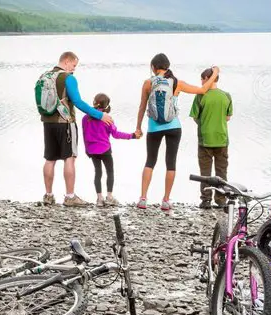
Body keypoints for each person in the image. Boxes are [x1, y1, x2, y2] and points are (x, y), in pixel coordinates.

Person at [133, 54, 218, 212]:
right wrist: (214, 73)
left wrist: (138, 128)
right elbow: (202, 89)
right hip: (173, 127)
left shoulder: (148, 83)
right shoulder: (177, 83)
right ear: (167, 66)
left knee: (150, 161)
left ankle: (143, 198)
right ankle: (166, 200)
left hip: (154, 128)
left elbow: (142, 106)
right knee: (170, 163)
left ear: (153, 67)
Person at [37, 51, 113, 207]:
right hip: (65, 123)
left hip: (47, 122)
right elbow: (78, 102)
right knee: (69, 158)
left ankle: (48, 196)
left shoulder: (44, 77)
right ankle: (70, 197)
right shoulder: (68, 78)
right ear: (66, 61)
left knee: (50, 159)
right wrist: (99, 116)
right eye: (73, 65)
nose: (74, 69)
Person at [82, 93, 140, 207]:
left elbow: (84, 134)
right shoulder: (107, 119)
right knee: (110, 172)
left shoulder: (85, 118)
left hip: (92, 150)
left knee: (97, 173)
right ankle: (109, 196)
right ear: (106, 105)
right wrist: (132, 135)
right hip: (105, 149)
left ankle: (99, 198)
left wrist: (87, 149)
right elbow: (116, 134)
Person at [190, 67, 233, 209]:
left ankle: (206, 200)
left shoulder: (200, 96)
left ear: (208, 79)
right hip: (222, 139)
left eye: (202, 79)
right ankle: (221, 200)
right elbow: (227, 117)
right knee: (221, 171)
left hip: (205, 140)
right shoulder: (226, 95)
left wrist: (205, 123)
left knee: (205, 172)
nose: (201, 82)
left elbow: (195, 117)